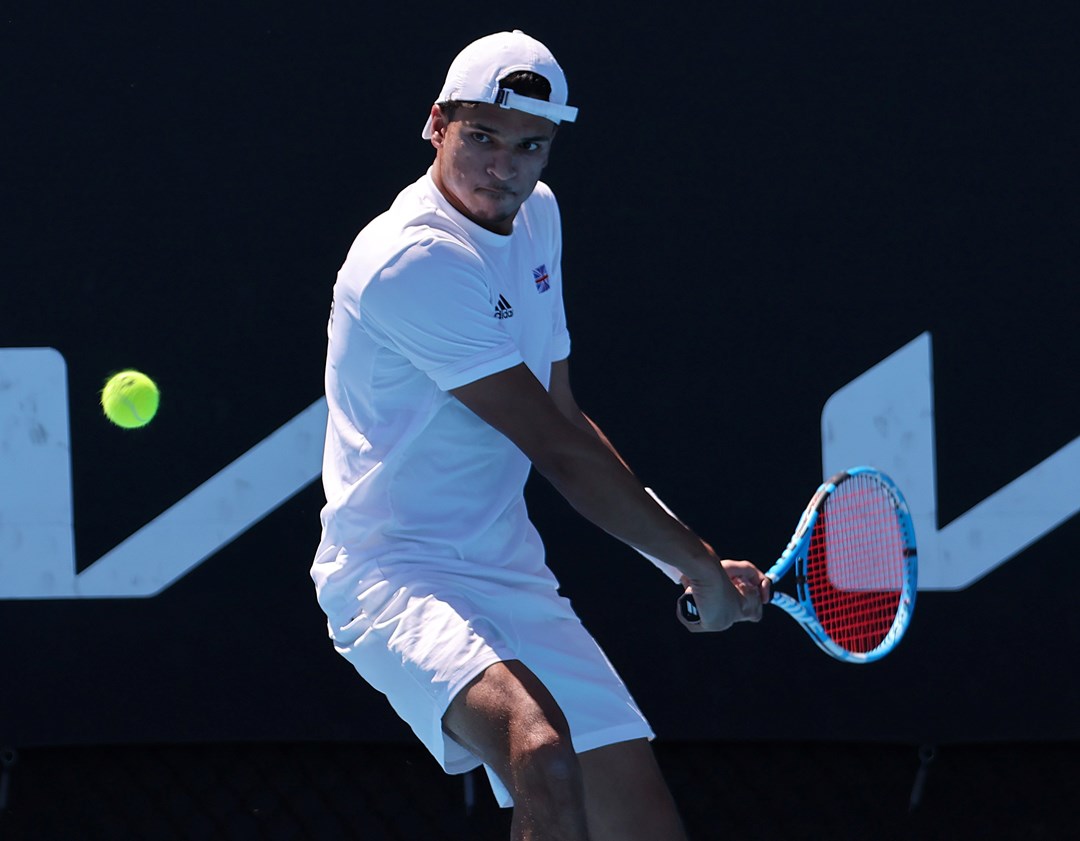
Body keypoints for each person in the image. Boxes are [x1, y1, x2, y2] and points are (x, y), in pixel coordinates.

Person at [311, 30, 769, 841]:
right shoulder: (410, 260)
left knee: (640, 822)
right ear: (437, 125)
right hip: (393, 575)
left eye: (531, 145)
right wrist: (698, 560)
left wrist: (679, 560)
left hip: (503, 562)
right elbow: (554, 452)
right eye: (482, 137)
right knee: (540, 746)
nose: (505, 166)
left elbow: (565, 415)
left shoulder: (536, 218)